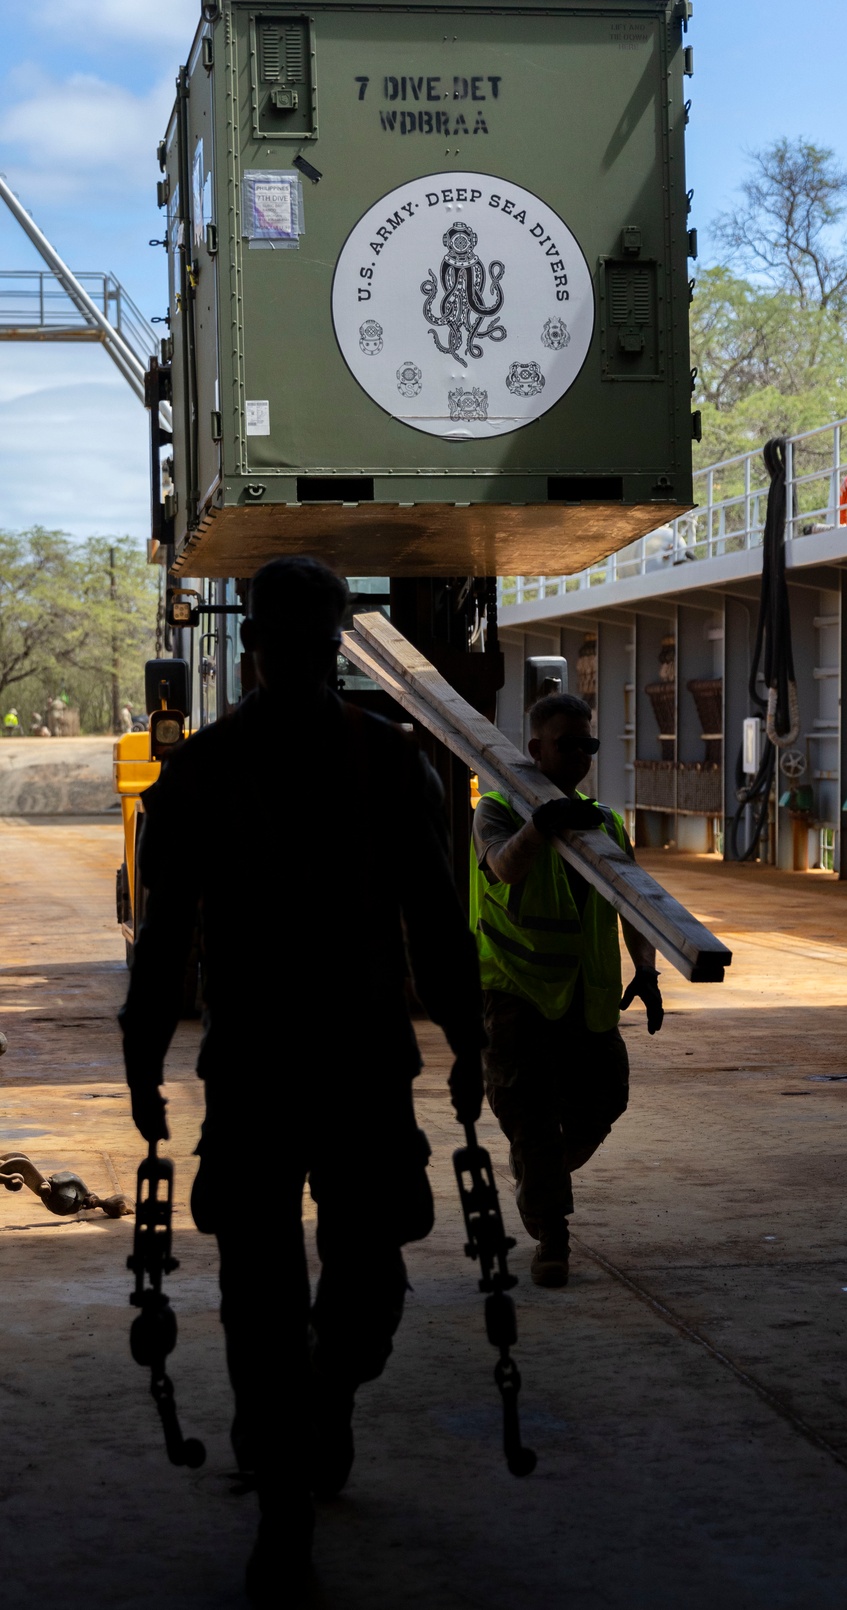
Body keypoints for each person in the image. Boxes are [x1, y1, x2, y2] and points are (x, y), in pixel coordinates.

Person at [119, 557, 485, 1606]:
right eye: (278, 639)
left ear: (325, 647)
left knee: (366, 1286)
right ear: (257, 648)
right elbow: (165, 937)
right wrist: (145, 1054)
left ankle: (320, 1398)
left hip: (357, 1065)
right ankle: (284, 1505)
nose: (287, 655)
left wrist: (468, 1038)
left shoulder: (383, 763)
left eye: (303, 640)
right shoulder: (205, 773)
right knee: (263, 1295)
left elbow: (436, 923)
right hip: (265, 1072)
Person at [470, 692, 664, 1290]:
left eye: (589, 744)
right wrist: (539, 828)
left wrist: (647, 969)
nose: (580, 754)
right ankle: (553, 1237)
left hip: (586, 993)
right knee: (527, 1113)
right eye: (567, 743)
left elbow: (634, 902)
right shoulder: (496, 810)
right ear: (534, 750)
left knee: (602, 1102)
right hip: (516, 989)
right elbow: (503, 867)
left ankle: (536, 1173)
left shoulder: (603, 821)